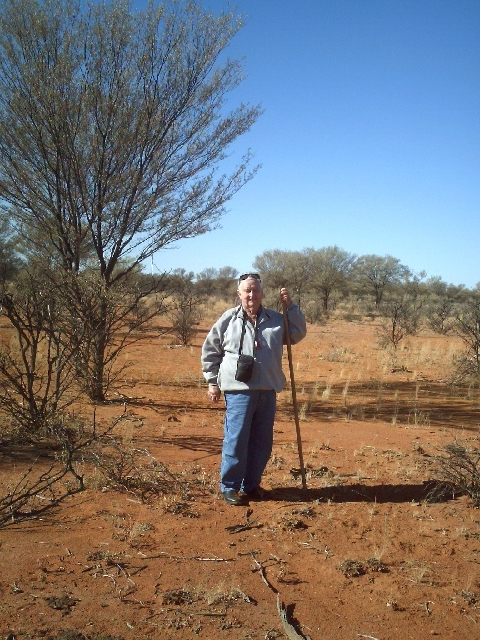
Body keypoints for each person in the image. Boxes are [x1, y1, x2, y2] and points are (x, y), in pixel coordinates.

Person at [201, 273, 307, 505]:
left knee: (262, 442)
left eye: (255, 290)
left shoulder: (277, 319)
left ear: (262, 293)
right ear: (239, 294)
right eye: (247, 291)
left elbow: (297, 333)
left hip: (267, 389)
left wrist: (291, 308)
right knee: (237, 440)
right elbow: (210, 350)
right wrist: (212, 382)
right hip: (238, 390)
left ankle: (250, 485)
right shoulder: (228, 319)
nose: (251, 295)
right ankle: (229, 486)